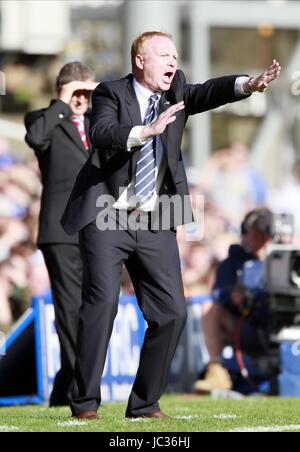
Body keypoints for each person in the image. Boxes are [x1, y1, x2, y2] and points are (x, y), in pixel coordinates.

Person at [61, 31, 281, 420]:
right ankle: (83, 404)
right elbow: (101, 134)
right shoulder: (110, 93)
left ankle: (144, 403)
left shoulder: (175, 89)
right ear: (140, 60)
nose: (172, 62)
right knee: (102, 305)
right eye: (164, 55)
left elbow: (207, 92)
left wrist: (248, 84)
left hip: (155, 217)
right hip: (107, 214)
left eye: (175, 55)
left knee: (172, 312)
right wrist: (144, 132)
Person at [24, 62, 98, 406]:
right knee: (69, 309)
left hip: (98, 227)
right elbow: (36, 138)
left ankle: (64, 386)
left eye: (87, 93)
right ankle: (82, 392)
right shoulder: (45, 119)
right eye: (76, 93)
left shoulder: (100, 123)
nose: (82, 100)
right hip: (60, 229)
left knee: (97, 307)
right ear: (62, 90)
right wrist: (63, 102)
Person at [194, 208, 274, 393]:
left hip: (283, 323)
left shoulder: (288, 259)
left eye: (266, 233)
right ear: (246, 234)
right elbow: (218, 294)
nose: (262, 239)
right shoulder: (233, 263)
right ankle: (216, 370)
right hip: (246, 324)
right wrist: (233, 296)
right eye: (257, 233)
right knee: (211, 309)